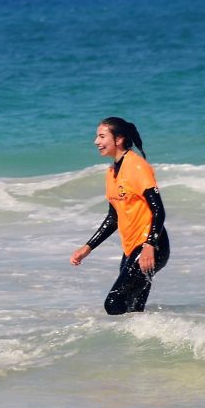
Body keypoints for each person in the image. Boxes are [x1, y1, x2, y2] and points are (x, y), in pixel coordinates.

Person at [69, 118, 171, 314]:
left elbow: (159, 210)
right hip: (132, 247)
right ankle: (145, 341)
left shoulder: (137, 167)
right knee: (132, 309)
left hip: (151, 245)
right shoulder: (112, 172)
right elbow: (113, 218)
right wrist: (87, 248)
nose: (96, 142)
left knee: (114, 303)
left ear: (119, 139)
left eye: (101, 136)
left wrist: (150, 245)